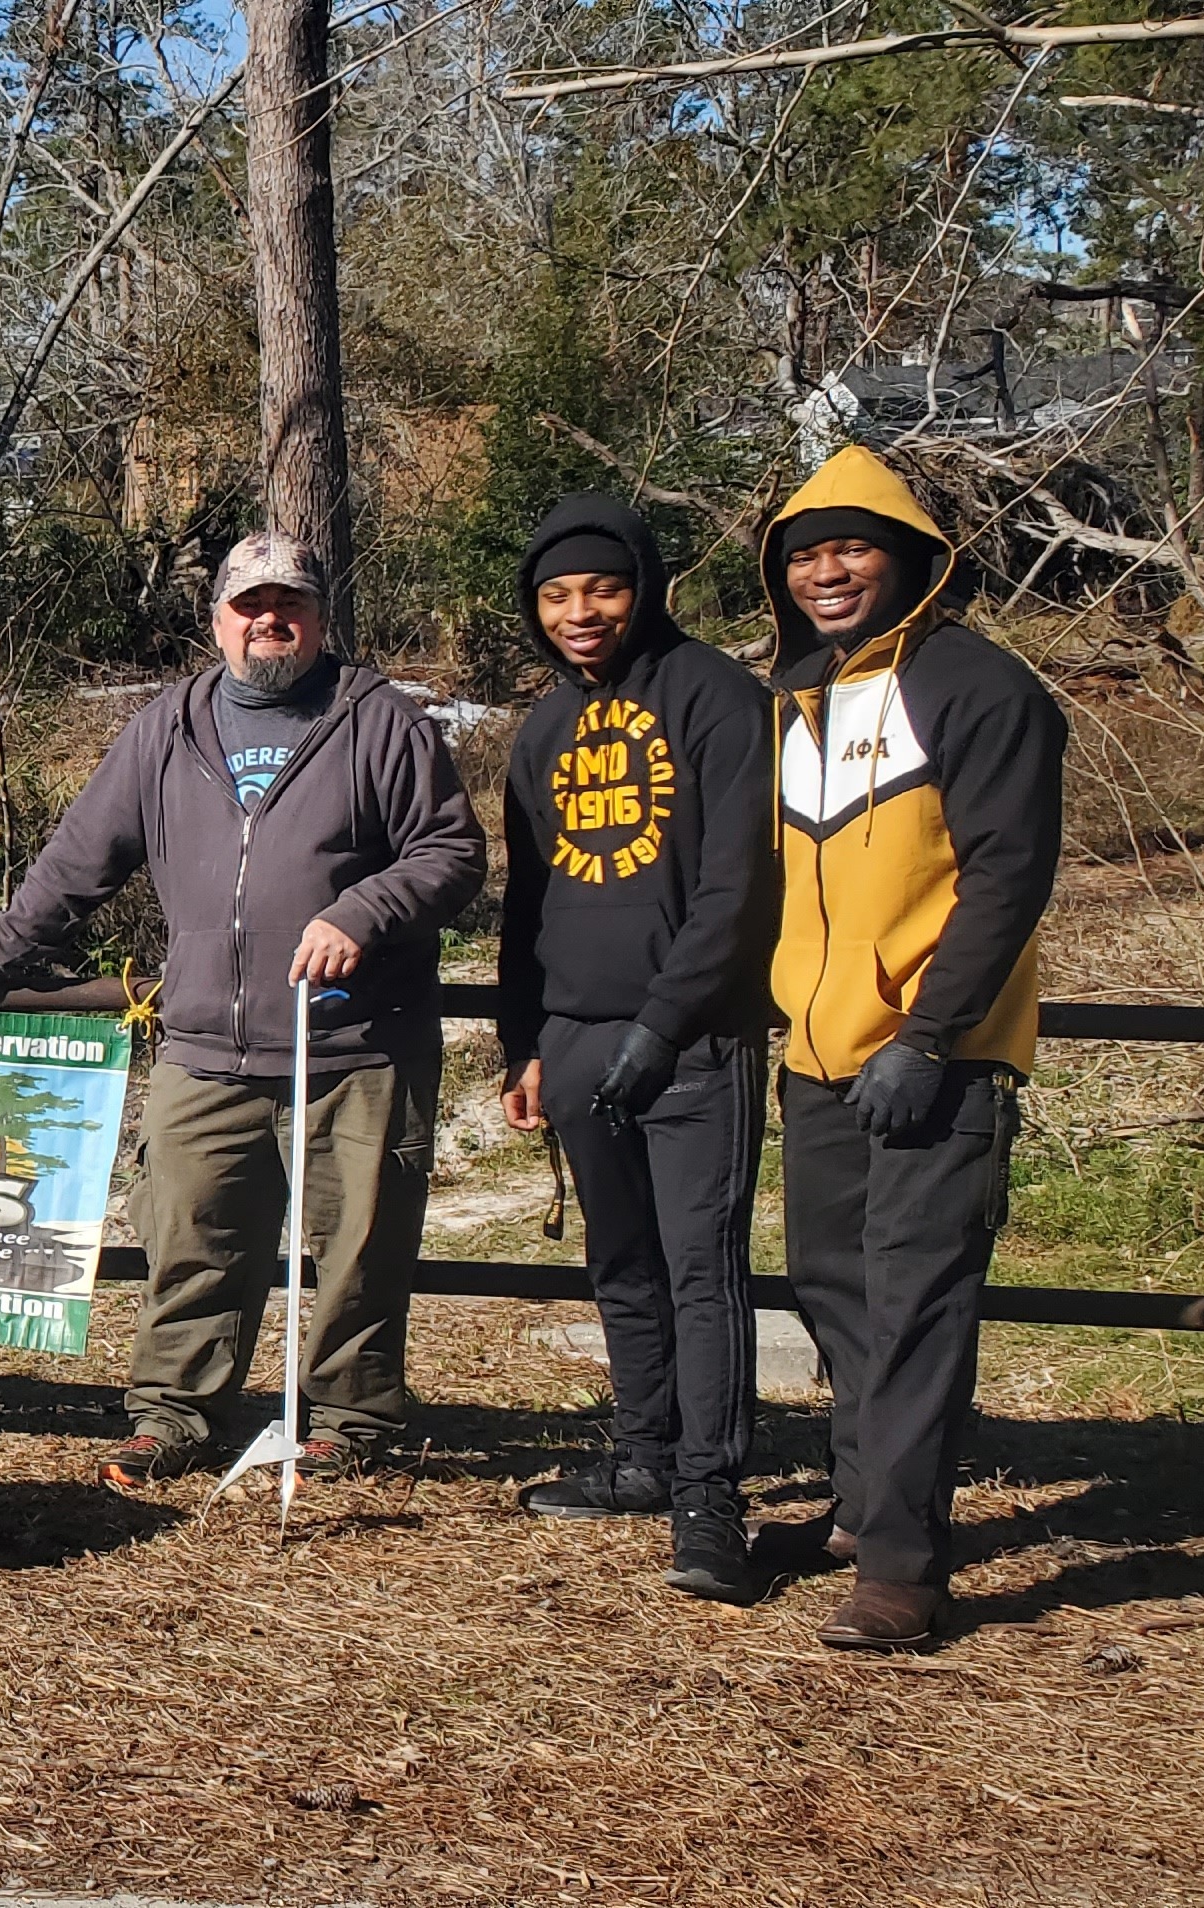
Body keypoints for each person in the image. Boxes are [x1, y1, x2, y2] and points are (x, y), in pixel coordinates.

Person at [0, 533, 488, 1486]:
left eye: (292, 605)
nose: (270, 621)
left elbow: (449, 854)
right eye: (250, 605)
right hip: (204, 1047)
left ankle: (349, 1425)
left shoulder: (381, 720)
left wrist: (362, 910)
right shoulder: (167, 726)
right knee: (188, 1241)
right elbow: (78, 862)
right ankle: (175, 1417)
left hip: (355, 1046)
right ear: (218, 620)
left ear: (319, 618)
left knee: (359, 1253)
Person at [752, 446, 1065, 1651]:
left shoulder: (980, 689)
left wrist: (930, 1037)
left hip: (937, 1057)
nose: (826, 571)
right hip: (821, 1056)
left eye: (852, 547)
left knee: (919, 1298)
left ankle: (905, 1567)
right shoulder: (799, 698)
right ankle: (858, 1511)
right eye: (803, 553)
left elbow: (1007, 877)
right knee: (834, 1290)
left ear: (914, 562)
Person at [490, 495, 776, 1604]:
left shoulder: (714, 695)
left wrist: (664, 1026)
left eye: (601, 589)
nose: (580, 612)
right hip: (575, 1038)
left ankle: (713, 1498)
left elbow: (737, 884)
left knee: (704, 1271)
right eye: (556, 596)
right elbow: (529, 901)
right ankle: (647, 1454)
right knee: (621, 1264)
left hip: (698, 1039)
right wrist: (525, 1043)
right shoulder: (544, 727)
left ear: (643, 587)